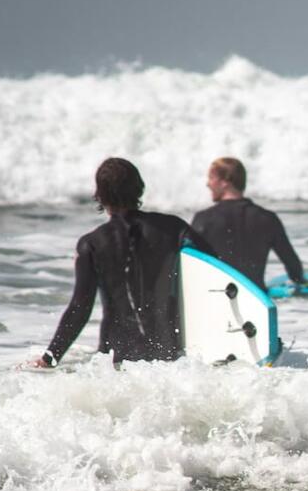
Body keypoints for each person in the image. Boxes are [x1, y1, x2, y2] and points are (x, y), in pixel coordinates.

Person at [33, 157, 208, 368]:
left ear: (100, 195)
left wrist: (49, 358)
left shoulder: (92, 244)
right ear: (139, 187)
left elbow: (80, 308)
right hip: (169, 356)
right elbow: (210, 269)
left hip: (116, 361)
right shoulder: (173, 228)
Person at [190, 157, 307, 290]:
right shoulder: (267, 219)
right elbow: (293, 265)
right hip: (254, 301)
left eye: (211, 178)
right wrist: (298, 281)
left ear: (225, 182)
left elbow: (189, 265)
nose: (208, 184)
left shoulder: (204, 219)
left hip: (215, 300)